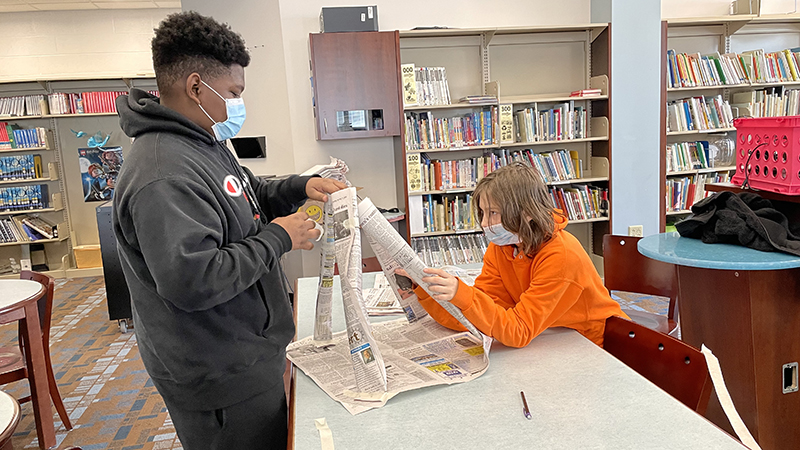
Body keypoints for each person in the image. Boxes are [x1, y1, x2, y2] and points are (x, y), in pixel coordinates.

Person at [112, 11, 345, 450]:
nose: (240, 104)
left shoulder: (203, 140)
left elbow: (245, 192)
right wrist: (279, 237)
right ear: (196, 86)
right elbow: (193, 280)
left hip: (244, 354)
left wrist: (298, 186)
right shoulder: (162, 173)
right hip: (216, 374)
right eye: (234, 92)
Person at [415, 162, 627, 347]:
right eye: (483, 213)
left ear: (526, 213)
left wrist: (463, 294)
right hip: (553, 339)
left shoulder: (561, 256)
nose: (484, 224)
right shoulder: (503, 247)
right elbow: (481, 314)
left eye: (493, 213)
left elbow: (518, 332)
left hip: (596, 347)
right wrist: (423, 289)